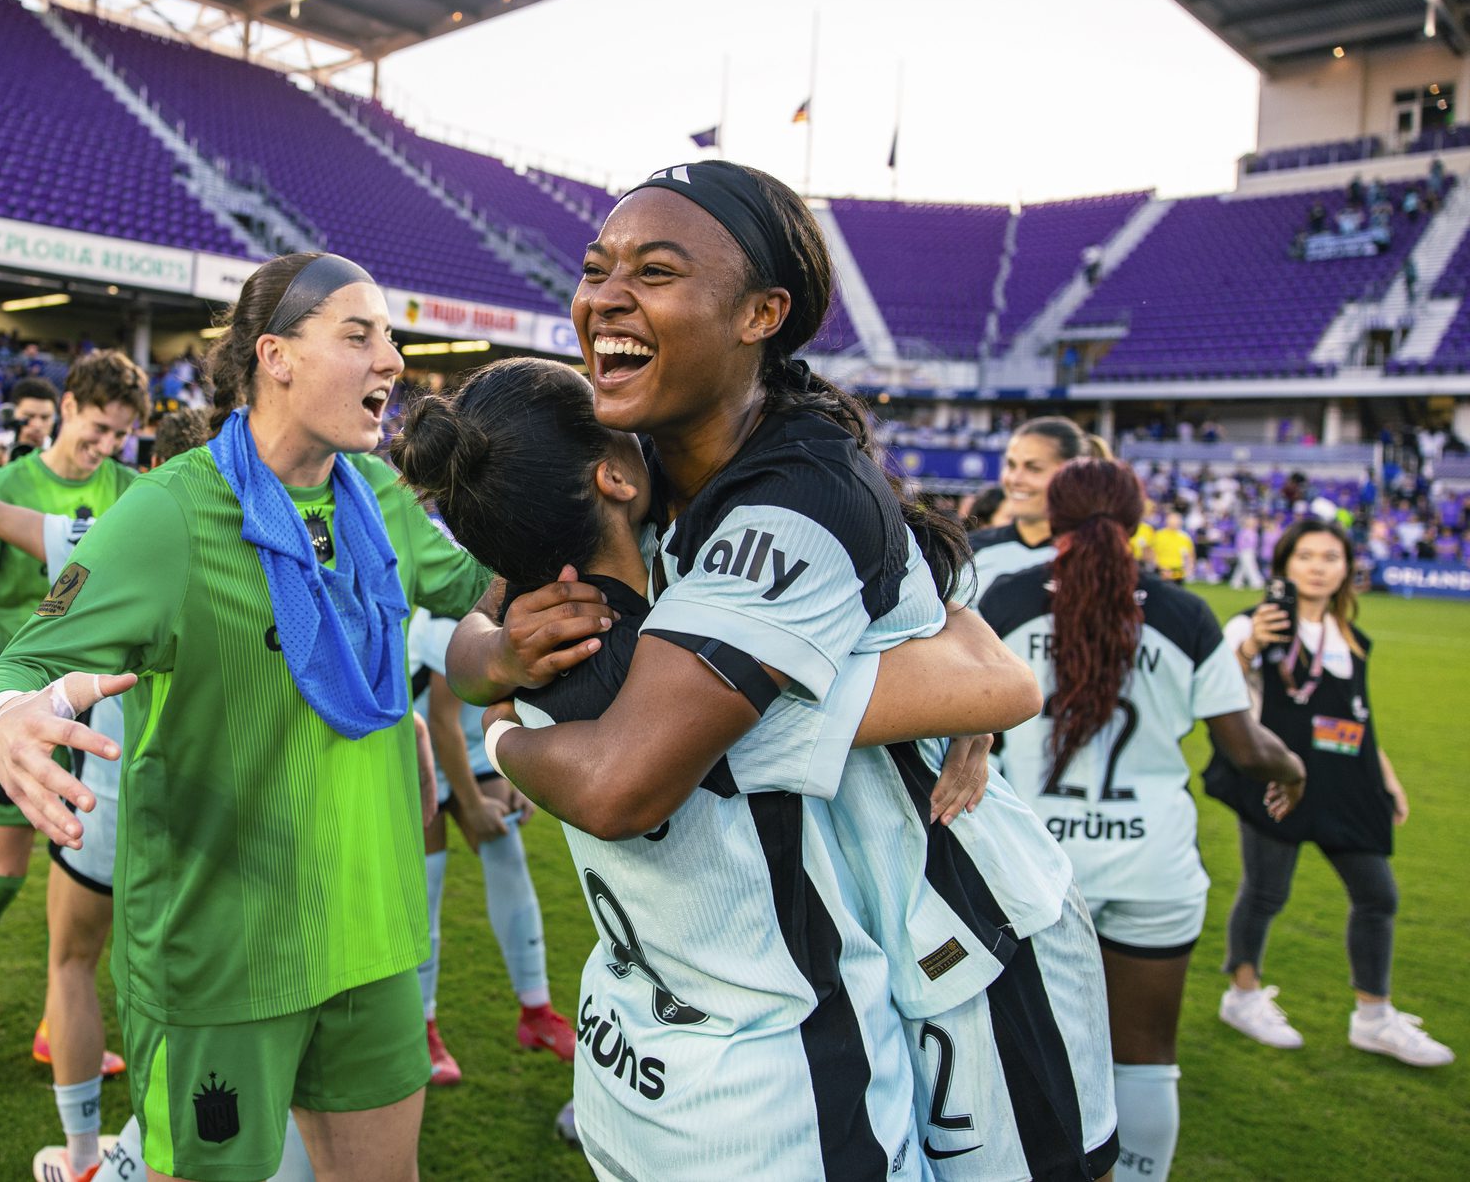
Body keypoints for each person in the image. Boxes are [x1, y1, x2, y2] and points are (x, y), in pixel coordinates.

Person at [439, 164, 1073, 1179]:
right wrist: (497, 659)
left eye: (653, 269)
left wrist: (508, 727)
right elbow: (484, 624)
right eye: (596, 266)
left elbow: (618, 777)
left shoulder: (792, 496)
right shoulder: (631, 456)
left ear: (761, 314)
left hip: (952, 937)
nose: (602, 294)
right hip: (807, 972)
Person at [0, 252, 494, 1182]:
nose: (393, 361)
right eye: (359, 335)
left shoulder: (378, 499)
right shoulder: (170, 512)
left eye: (393, 339)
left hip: (372, 936)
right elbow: (18, 664)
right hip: (227, 957)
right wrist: (6, 716)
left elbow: (477, 597)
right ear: (276, 355)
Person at [984, 459, 1308, 1182]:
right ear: (1136, 521)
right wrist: (1292, 768)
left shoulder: (1006, 598)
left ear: (1056, 519)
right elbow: (1247, 746)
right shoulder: (1185, 614)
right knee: (1146, 1058)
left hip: (1036, 868)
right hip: (1152, 865)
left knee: (1027, 1052)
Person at [0, 350, 147, 1095]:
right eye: (97, 427)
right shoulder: (8, 487)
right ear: (67, 404)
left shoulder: (130, 490)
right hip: (20, 714)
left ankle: (61, 1021)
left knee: (95, 880)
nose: (106, 446)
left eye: (120, 436)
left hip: (101, 713)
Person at [1206, 518, 1453, 1068]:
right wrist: (1249, 647)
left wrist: (1383, 774)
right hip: (1280, 777)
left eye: (1331, 557)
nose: (1318, 566)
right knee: (1267, 891)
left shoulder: (1350, 637)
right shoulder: (1252, 624)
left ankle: (1374, 1016)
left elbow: (1356, 716)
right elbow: (1220, 695)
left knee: (1377, 895)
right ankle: (1241, 996)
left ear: (1346, 568)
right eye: (1306, 556)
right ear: (1285, 565)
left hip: (1348, 780)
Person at [405, 609, 573, 1087]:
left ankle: (536, 1012)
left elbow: (511, 693)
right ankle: (423, 1030)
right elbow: (441, 722)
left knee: (509, 861)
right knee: (426, 886)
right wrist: (473, 804)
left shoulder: (516, 600)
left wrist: (517, 773)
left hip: (473, 752)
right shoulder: (444, 616)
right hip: (421, 753)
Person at [964, 417, 1098, 605]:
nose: (1015, 479)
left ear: (1072, 474)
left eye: (1033, 468)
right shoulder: (967, 550)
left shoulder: (1097, 555)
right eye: (1010, 465)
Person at [1150, 510, 1195, 583]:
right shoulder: (1159, 535)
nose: (1174, 522)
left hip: (1178, 572)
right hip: (1161, 570)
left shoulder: (1185, 537)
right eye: (1172, 520)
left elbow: (1190, 556)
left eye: (1176, 520)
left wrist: (1188, 571)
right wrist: (1160, 568)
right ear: (1167, 521)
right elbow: (1153, 553)